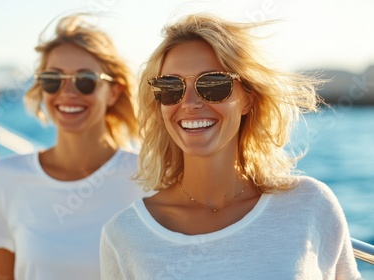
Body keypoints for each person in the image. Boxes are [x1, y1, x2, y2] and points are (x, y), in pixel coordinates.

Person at [100, 13, 361, 279]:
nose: (189, 103)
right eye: (170, 87)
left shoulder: (310, 206)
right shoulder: (125, 234)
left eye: (213, 84)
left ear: (248, 98)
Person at [0, 13, 148, 280]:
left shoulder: (149, 178)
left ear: (113, 91)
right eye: (53, 80)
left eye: (85, 80)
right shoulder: (3, 179)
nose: (67, 93)